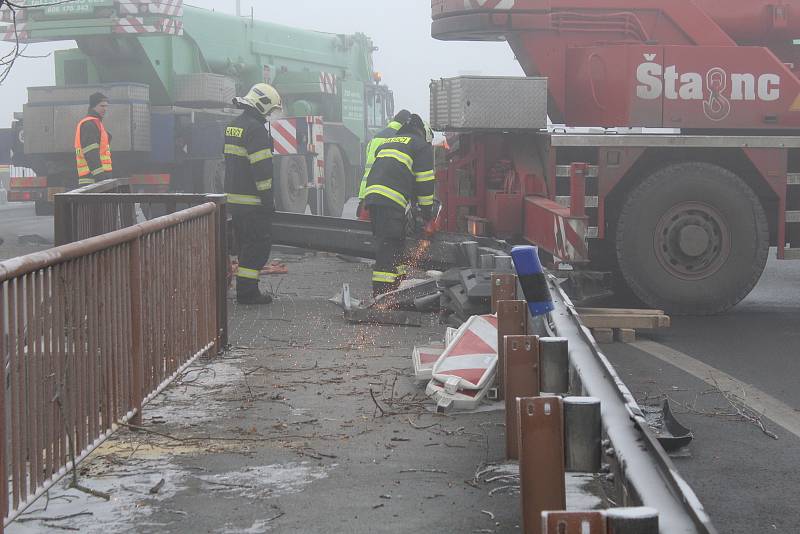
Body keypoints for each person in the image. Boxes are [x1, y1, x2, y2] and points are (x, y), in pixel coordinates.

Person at [363, 114, 435, 297]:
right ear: (425, 134)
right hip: (391, 199)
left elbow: (399, 172)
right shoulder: (421, 146)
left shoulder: (390, 141)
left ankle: (399, 290)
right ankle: (382, 297)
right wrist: (427, 213)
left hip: (373, 197)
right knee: (389, 245)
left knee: (395, 243)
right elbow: (425, 182)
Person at [224, 83, 282, 305]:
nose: (270, 114)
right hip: (253, 203)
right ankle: (248, 293)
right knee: (257, 247)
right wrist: (268, 202)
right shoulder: (256, 130)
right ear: (262, 104)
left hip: (235, 202)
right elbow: (262, 171)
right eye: (270, 109)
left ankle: (246, 291)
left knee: (245, 246)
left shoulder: (233, 126)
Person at [357, 108, 412, 218]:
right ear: (406, 123)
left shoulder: (375, 138)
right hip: (385, 199)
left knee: (363, 231)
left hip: (366, 194)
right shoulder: (400, 139)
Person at [74, 92, 112, 185]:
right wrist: (101, 179)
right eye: (102, 106)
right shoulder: (89, 124)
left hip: (93, 179)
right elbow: (91, 153)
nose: (105, 109)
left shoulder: (95, 123)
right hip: (92, 181)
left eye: (106, 106)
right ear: (93, 106)